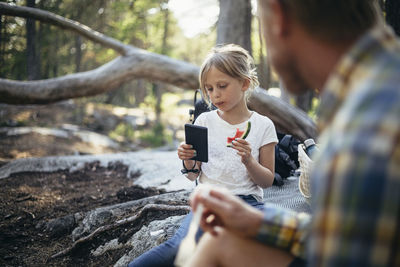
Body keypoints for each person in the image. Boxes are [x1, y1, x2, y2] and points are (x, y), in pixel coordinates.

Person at [187, 0, 400, 266]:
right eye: (210, 89)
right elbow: (347, 233)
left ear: (279, 16)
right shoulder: (378, 85)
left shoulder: (367, 124)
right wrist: (257, 221)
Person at [128, 44, 278, 266]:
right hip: (209, 201)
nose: (214, 94)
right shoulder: (204, 122)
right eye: (209, 88)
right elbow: (192, 174)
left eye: (222, 86)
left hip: (248, 203)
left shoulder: (262, 125)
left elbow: (267, 181)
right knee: (180, 247)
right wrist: (187, 158)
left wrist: (249, 161)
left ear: (245, 83)